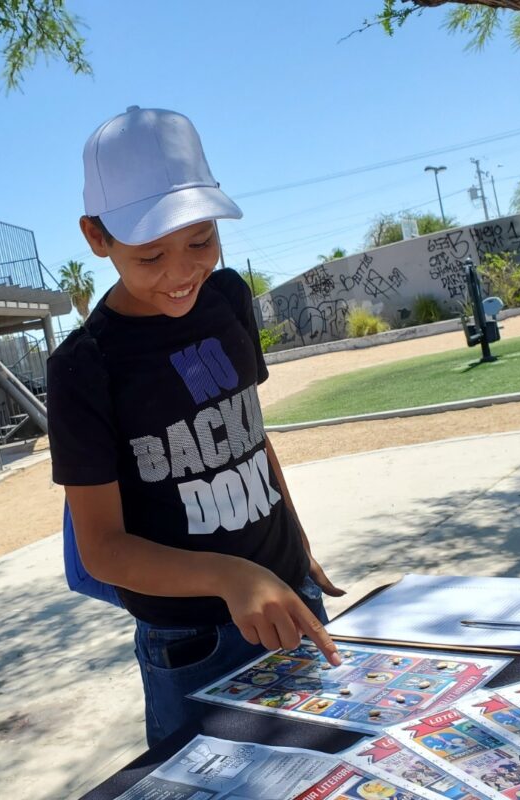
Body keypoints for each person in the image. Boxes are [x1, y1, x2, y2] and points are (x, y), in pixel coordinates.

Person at [47, 106, 344, 747]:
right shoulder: (84, 367)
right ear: (96, 237)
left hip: (288, 595)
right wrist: (231, 577)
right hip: (192, 643)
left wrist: (297, 545)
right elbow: (103, 549)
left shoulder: (228, 297)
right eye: (151, 253)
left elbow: (251, 435)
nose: (182, 271)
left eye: (201, 241)